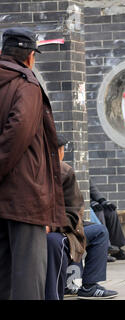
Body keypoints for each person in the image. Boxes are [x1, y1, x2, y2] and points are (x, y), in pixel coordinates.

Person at [0, 27, 66, 300]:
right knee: (28, 274)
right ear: (29, 56)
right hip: (24, 194)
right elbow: (19, 133)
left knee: (4, 272)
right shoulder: (26, 84)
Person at [45, 134, 118, 300]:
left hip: (60, 225)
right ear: (58, 151)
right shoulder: (32, 171)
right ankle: (67, 289)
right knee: (60, 241)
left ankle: (88, 286)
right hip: (42, 229)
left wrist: (50, 226)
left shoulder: (64, 171)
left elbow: (73, 212)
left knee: (99, 231)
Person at [90, 179, 125, 261]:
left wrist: (103, 201)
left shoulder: (80, 171)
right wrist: (90, 202)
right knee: (98, 211)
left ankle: (117, 249)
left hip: (90, 203)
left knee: (110, 211)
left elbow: (92, 188)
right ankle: (103, 250)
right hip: (80, 206)